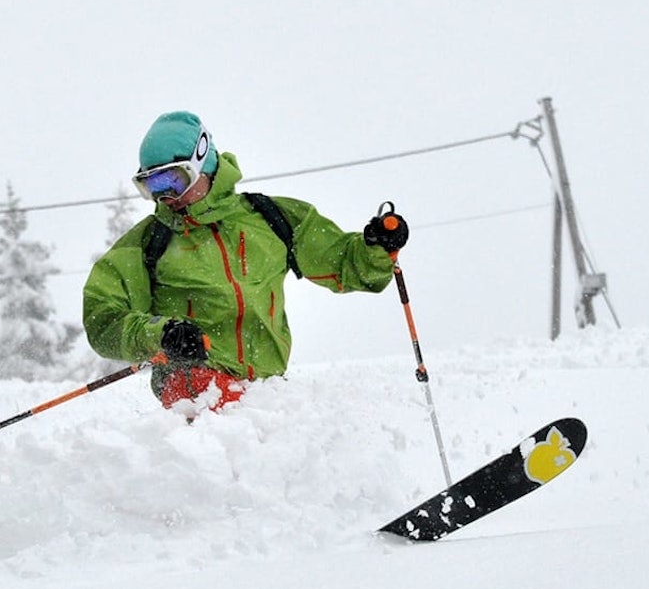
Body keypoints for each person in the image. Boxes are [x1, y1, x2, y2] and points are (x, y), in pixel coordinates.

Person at [83, 111, 409, 411]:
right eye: (151, 185)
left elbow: (345, 265)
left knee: (281, 449)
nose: (164, 196)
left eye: (174, 180)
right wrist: (162, 334)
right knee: (230, 430)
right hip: (193, 382)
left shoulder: (271, 219)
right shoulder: (147, 244)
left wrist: (376, 248)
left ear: (202, 162)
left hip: (266, 389)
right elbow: (104, 320)